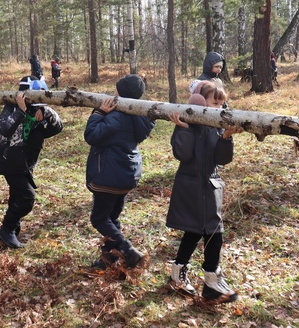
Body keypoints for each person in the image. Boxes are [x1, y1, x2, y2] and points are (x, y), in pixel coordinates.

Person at [166, 80, 242, 303]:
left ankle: (180, 274)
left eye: (221, 104)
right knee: (212, 234)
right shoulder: (188, 122)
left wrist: (226, 137)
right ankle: (210, 283)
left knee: (196, 232)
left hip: (210, 186)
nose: (217, 108)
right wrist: (184, 129)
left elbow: (222, 160)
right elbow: (183, 154)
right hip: (191, 186)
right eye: (213, 103)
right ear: (199, 102)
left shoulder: (218, 126)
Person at [85, 74, 155, 269]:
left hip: (108, 174)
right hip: (126, 174)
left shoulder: (117, 116)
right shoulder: (139, 116)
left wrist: (99, 113)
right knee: (112, 218)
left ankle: (127, 249)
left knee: (99, 218)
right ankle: (109, 260)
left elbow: (91, 135)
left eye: (116, 89)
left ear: (121, 93)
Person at [0, 75, 63, 248]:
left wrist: (47, 112)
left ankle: (11, 233)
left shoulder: (40, 109)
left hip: (27, 162)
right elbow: (4, 128)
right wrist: (21, 110)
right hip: (10, 160)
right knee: (27, 196)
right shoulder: (11, 106)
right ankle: (7, 229)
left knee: (16, 196)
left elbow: (57, 128)